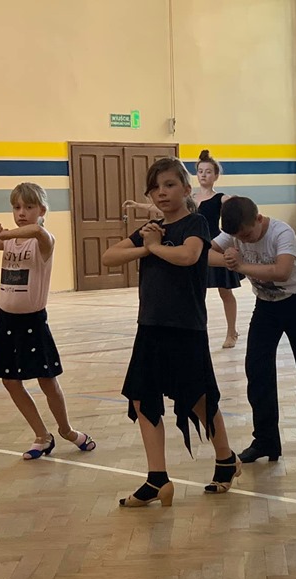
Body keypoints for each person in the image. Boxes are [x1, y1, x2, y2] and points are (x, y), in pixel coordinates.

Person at [103, 158, 241, 505]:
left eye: (169, 185)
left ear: (186, 188)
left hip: (185, 326)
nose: (161, 193)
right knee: (141, 397)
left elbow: (188, 256)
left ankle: (226, 459)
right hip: (150, 324)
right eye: (155, 188)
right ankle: (157, 479)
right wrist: (146, 244)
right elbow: (109, 256)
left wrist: (153, 248)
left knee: (198, 398)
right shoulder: (151, 229)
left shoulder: (195, 223)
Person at [0, 183, 96, 460]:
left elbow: (36, 231)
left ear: (42, 210)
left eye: (29, 207)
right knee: (10, 381)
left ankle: (67, 430)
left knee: (47, 381)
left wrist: (6, 233)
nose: (21, 213)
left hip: (33, 321)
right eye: (17, 207)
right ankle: (41, 436)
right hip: (5, 320)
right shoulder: (9, 241)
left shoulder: (44, 240)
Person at [211, 196, 296, 462]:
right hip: (266, 307)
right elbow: (203, 253)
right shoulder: (234, 233)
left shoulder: (281, 232)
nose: (243, 241)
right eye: (238, 238)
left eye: (247, 235)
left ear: (258, 219)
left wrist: (239, 265)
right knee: (257, 370)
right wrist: (226, 258)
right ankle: (266, 441)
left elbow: (282, 271)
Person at [193, 149, 242, 349]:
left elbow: (235, 206)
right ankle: (198, 332)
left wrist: (236, 202)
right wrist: (142, 206)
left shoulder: (220, 198)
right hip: (196, 247)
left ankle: (232, 332)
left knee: (225, 292)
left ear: (216, 176)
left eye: (208, 172)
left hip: (217, 245)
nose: (203, 175)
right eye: (200, 171)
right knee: (197, 293)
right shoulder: (190, 199)